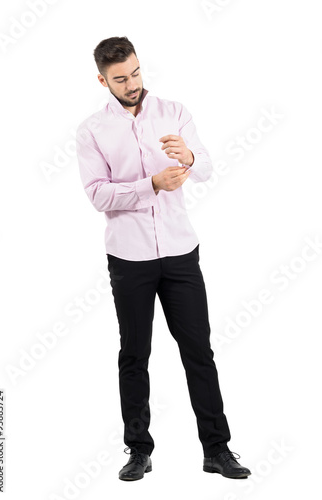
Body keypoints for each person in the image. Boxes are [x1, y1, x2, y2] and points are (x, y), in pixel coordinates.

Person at [76, 36, 251, 482]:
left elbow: (207, 166)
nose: (132, 83)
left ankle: (217, 449)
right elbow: (98, 195)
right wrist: (149, 185)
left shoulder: (173, 111)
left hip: (179, 253)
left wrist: (189, 157)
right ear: (103, 80)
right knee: (134, 355)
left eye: (135, 73)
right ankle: (138, 451)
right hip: (129, 258)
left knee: (199, 352)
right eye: (120, 79)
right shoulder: (92, 130)